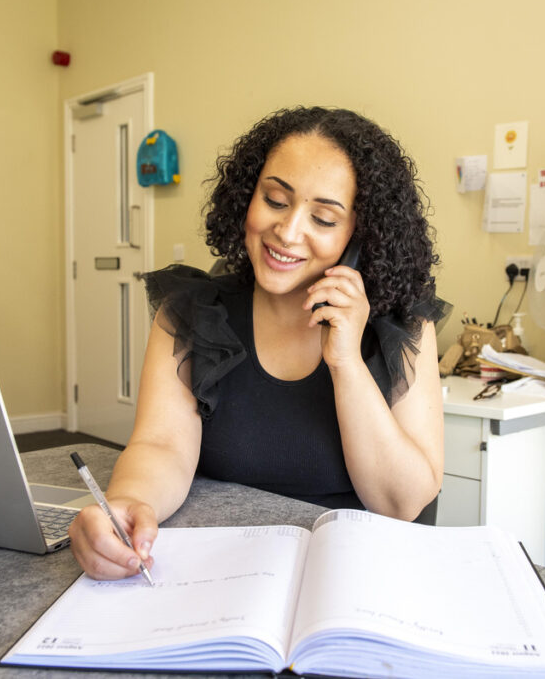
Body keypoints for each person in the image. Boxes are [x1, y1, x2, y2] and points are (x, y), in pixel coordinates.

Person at [69, 106, 449, 580]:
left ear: (360, 237)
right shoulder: (190, 313)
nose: (288, 232)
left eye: (325, 219)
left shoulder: (403, 326)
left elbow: (402, 503)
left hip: (357, 580)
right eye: (274, 199)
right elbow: (161, 445)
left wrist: (346, 361)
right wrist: (127, 506)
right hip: (226, 574)